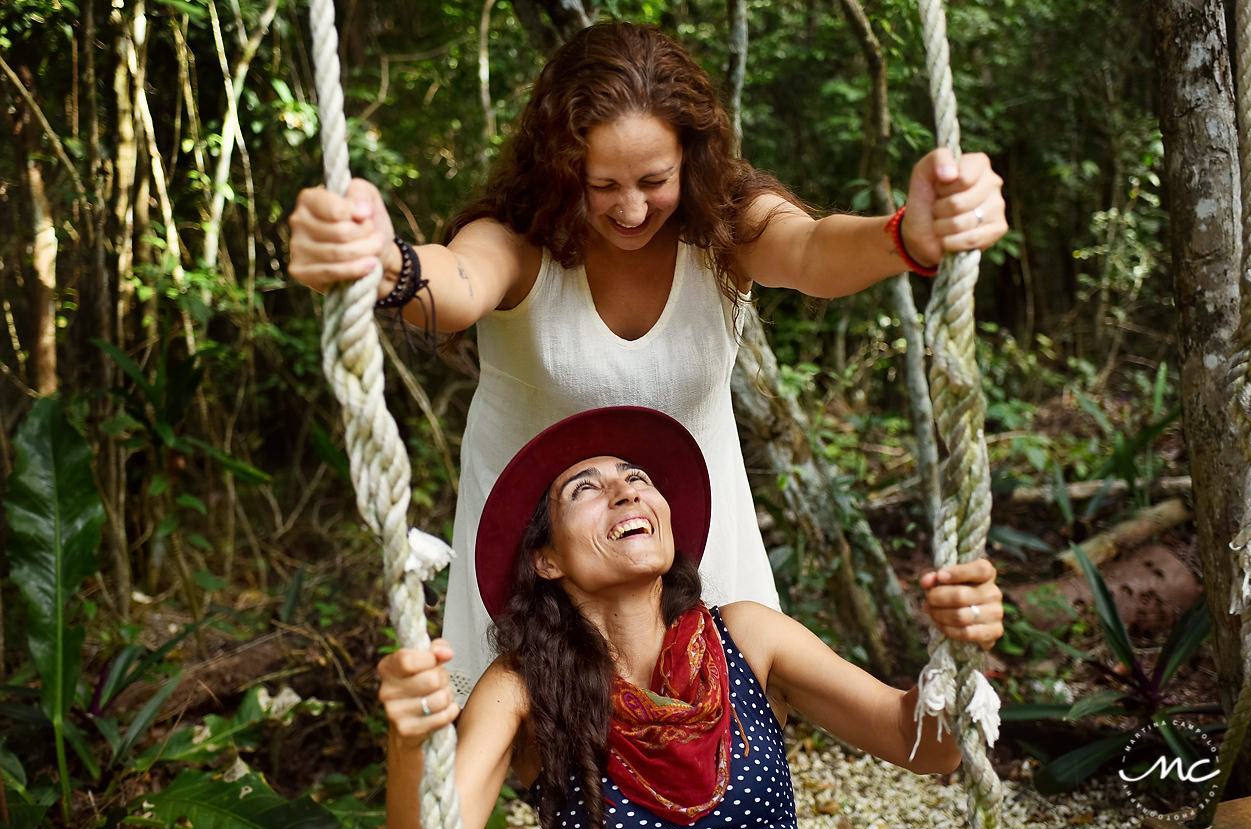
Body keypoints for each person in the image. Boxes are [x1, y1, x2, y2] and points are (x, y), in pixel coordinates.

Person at [289, 21, 1008, 702]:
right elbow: (457, 283)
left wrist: (908, 236)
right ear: (560, 168)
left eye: (653, 181)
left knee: (729, 741)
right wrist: (383, 263)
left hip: (697, 539)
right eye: (602, 186)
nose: (631, 209)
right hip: (547, 561)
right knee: (545, 763)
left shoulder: (724, 220)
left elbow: (814, 250)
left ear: (689, 160)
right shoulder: (519, 235)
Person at [377, 406, 1004, 829]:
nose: (625, 494)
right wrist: (409, 740)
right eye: (586, 489)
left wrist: (955, 653)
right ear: (548, 560)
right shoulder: (522, 687)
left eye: (637, 479)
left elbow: (923, 745)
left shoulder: (749, 638)